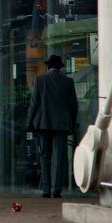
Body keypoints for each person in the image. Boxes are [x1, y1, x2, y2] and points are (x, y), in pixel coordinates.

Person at [27, 55, 79, 198]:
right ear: (60, 67)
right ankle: (57, 190)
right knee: (60, 156)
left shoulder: (40, 80)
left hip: (44, 123)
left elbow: (34, 104)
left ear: (48, 66)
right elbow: (74, 106)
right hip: (62, 124)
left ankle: (46, 189)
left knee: (45, 156)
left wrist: (29, 122)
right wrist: (72, 123)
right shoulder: (68, 82)